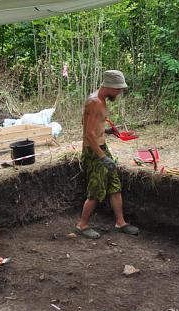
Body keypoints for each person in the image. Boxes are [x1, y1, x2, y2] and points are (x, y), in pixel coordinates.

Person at [75, 70, 139, 239]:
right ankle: (82, 225)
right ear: (110, 86)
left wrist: (108, 131)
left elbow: (90, 124)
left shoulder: (100, 99)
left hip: (102, 147)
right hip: (94, 151)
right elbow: (88, 133)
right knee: (96, 189)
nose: (119, 93)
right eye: (118, 90)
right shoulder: (95, 102)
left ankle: (120, 222)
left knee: (114, 185)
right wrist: (102, 157)